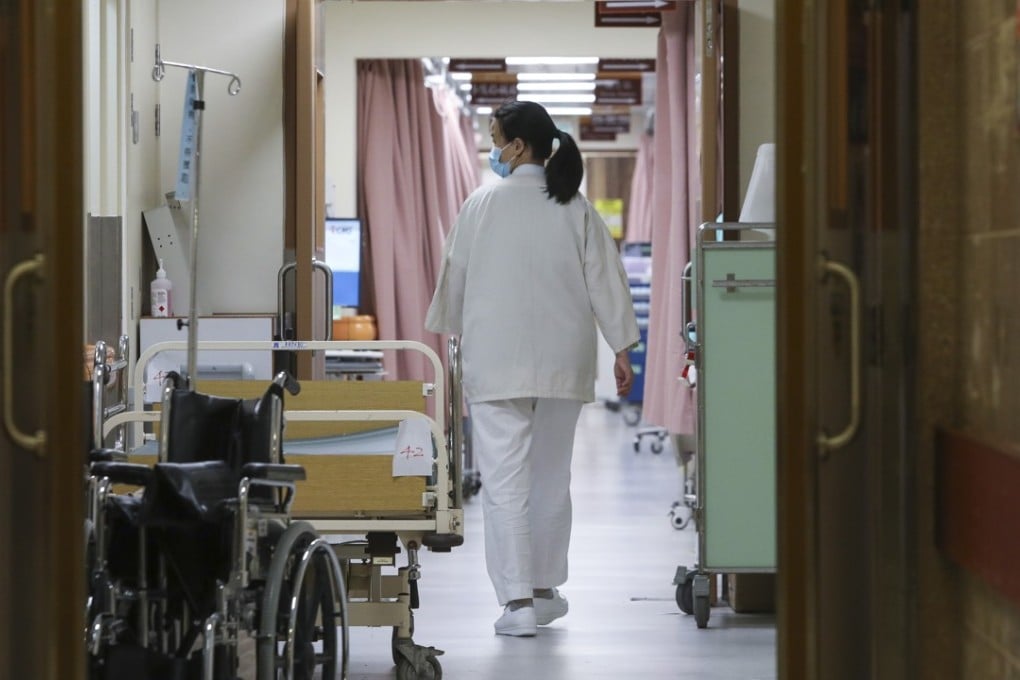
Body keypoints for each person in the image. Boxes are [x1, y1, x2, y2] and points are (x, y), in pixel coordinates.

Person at [425, 100, 639, 637]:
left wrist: (452, 331)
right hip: (564, 362)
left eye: (496, 139)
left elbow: (454, 280)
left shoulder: (481, 204)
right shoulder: (576, 208)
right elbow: (606, 280)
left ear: (518, 147)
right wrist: (621, 347)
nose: (492, 150)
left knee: (505, 481)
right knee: (550, 478)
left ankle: (518, 602)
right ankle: (544, 591)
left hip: (498, 360)